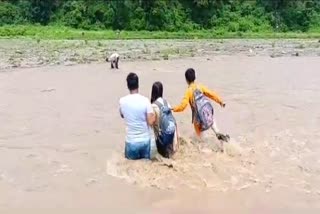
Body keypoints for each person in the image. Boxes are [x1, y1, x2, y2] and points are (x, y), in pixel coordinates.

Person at [172, 68, 229, 141]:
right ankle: (217, 133)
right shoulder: (200, 86)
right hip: (206, 111)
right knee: (211, 120)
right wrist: (221, 101)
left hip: (197, 118)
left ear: (186, 80)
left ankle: (201, 147)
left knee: (199, 138)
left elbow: (183, 106)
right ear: (195, 77)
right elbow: (211, 94)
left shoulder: (188, 91)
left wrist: (173, 109)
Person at [119, 72, 155, 160]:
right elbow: (150, 121)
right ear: (138, 84)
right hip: (144, 141)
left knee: (129, 169)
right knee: (145, 168)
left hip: (131, 141)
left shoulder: (122, 101)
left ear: (127, 86)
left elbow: (122, 115)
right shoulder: (145, 101)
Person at [150, 82, 178, 158]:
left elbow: (150, 125)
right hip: (171, 138)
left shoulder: (153, 106)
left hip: (161, 141)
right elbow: (173, 121)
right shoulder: (167, 103)